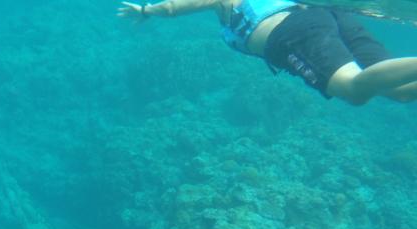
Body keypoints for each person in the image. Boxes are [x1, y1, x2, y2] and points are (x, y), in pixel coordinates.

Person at [118, 0, 417, 104]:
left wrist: (146, 10)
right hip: (325, 16)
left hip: (292, 32)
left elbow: (173, 7)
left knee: (353, 90)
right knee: (401, 92)